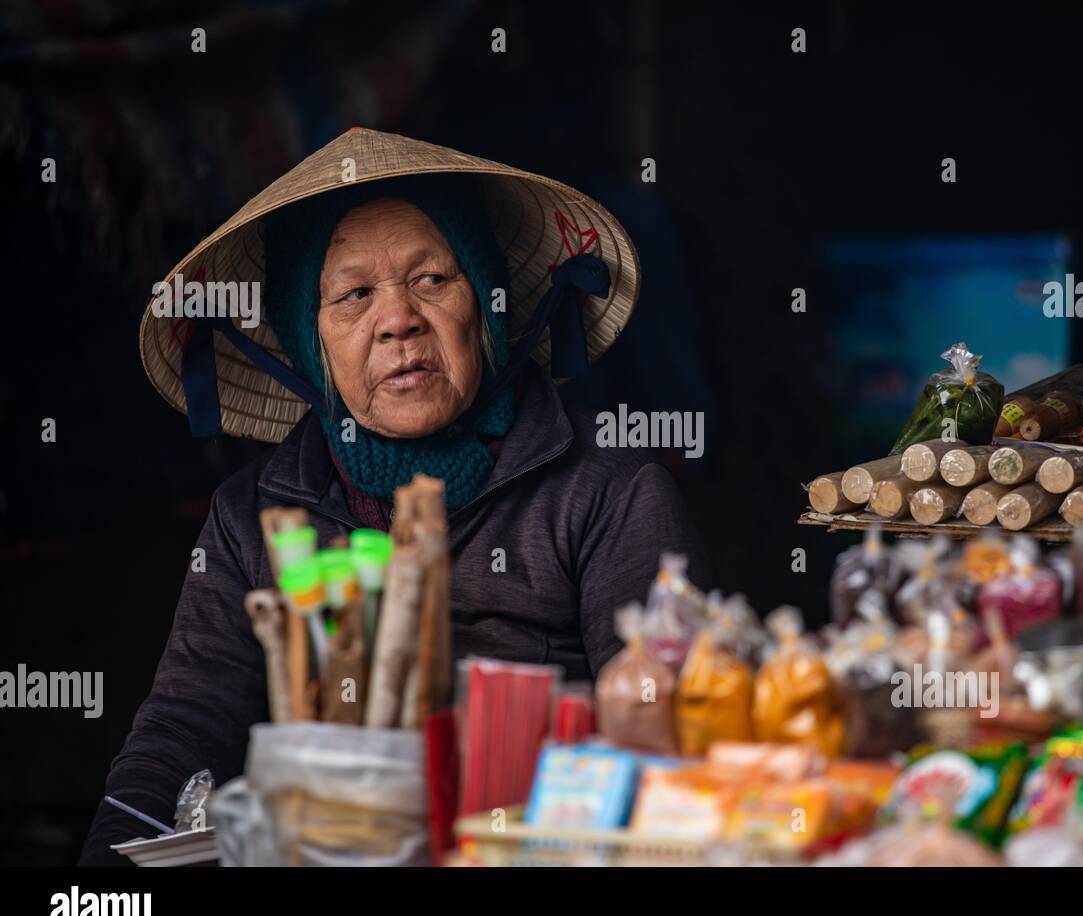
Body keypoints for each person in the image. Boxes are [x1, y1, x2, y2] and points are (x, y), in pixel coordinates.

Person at [80, 129, 706, 864]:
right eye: (352, 295)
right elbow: (185, 726)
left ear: (490, 309)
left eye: (433, 279)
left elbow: (672, 743)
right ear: (312, 344)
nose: (399, 318)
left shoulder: (609, 489)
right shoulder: (255, 517)